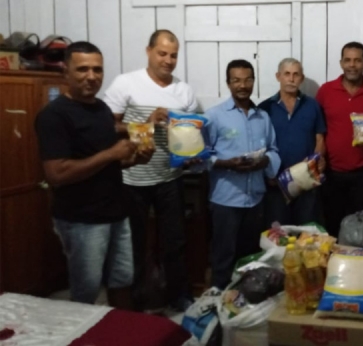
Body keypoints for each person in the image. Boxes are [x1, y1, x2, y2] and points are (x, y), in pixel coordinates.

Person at [35, 41, 153, 308]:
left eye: (97, 70)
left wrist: (135, 160)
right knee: (86, 291)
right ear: (66, 72)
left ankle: (119, 328)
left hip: (116, 213)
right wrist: (112, 154)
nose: (91, 76)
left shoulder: (101, 109)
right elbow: (57, 173)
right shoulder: (53, 116)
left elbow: (106, 166)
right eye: (83, 69)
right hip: (81, 220)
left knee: (122, 281)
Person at [103, 30, 197, 312]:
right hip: (131, 178)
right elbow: (107, 127)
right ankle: (135, 300)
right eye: (162, 53)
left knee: (175, 242)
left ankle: (178, 295)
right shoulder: (126, 83)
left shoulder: (183, 91)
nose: (168, 60)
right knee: (133, 244)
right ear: (149, 51)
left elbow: (189, 133)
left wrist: (191, 152)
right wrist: (146, 123)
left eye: (173, 55)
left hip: (170, 178)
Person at [204, 59, 281, 290]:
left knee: (250, 260)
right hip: (226, 200)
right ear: (228, 83)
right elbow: (200, 157)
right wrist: (226, 163)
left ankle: (244, 302)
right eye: (236, 80)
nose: (243, 85)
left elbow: (273, 150)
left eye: (247, 80)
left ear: (254, 81)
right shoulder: (214, 116)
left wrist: (264, 161)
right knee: (223, 258)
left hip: (255, 200)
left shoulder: (263, 117)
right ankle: (218, 300)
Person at [315, 41, 363, 237]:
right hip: (331, 173)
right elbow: (316, 128)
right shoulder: (325, 91)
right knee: (331, 228)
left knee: (360, 232)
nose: (352, 65)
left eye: (357, 60)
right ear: (341, 63)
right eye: (347, 60)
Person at [258, 58, 326, 226]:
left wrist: (317, 161)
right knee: (278, 232)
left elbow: (320, 138)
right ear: (278, 76)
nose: (291, 79)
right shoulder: (265, 108)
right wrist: (267, 173)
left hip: (306, 181)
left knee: (307, 231)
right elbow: (259, 145)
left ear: (301, 78)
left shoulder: (312, 105)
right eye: (287, 74)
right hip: (276, 184)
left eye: (296, 74)